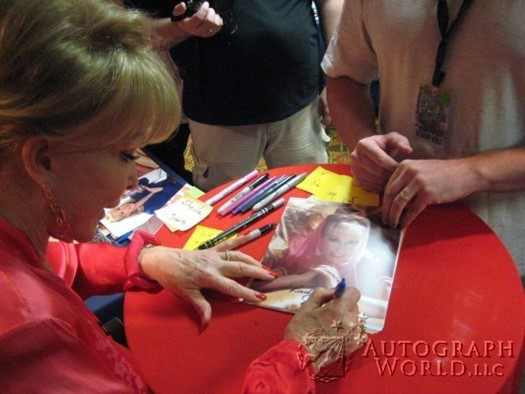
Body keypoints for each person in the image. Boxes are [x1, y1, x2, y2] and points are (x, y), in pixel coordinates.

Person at [0, 0, 367, 391]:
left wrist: (145, 259)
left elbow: (57, 261)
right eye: (126, 154)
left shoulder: (19, 230)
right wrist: (298, 356)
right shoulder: (26, 337)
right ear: (42, 159)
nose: (134, 177)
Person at [322, 1, 525, 278]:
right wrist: (363, 141)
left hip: (507, 243)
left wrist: (472, 172)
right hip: (393, 232)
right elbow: (345, 77)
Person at [125, 0, 343, 191]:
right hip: (218, 111)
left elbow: (331, 2)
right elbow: (134, 31)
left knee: (310, 198)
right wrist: (181, 29)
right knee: (223, 215)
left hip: (301, 100)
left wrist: (335, 76)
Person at [253, 212, 393, 320]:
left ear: (362, 244)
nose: (340, 249)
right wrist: (301, 279)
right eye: (334, 239)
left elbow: (388, 309)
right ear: (320, 238)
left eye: (352, 242)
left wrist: (337, 292)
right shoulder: (305, 260)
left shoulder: (368, 265)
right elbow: (255, 285)